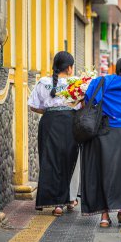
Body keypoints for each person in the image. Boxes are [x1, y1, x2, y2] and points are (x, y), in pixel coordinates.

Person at [80, 57, 121, 227]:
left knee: (103, 171)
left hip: (102, 134)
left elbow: (88, 100)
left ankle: (104, 216)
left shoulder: (102, 81)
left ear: (116, 69)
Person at [28, 51, 79, 216]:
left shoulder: (43, 82)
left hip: (49, 122)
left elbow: (33, 105)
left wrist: (50, 111)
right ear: (70, 68)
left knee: (49, 160)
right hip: (69, 123)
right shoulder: (76, 83)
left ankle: (49, 201)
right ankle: (65, 202)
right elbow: (82, 106)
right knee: (67, 160)